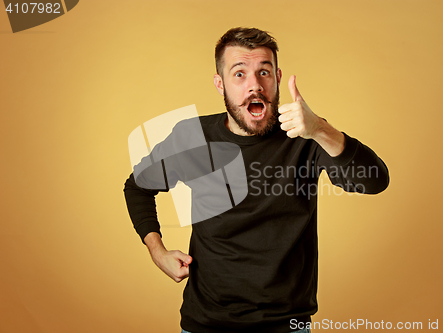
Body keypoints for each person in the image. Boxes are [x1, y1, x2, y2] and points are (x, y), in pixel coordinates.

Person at [124, 27, 389, 333]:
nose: (255, 86)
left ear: (277, 78)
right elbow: (137, 187)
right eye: (239, 74)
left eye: (263, 72)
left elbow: (375, 181)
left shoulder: (306, 136)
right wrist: (158, 251)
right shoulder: (192, 137)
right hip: (206, 324)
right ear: (219, 84)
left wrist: (319, 129)